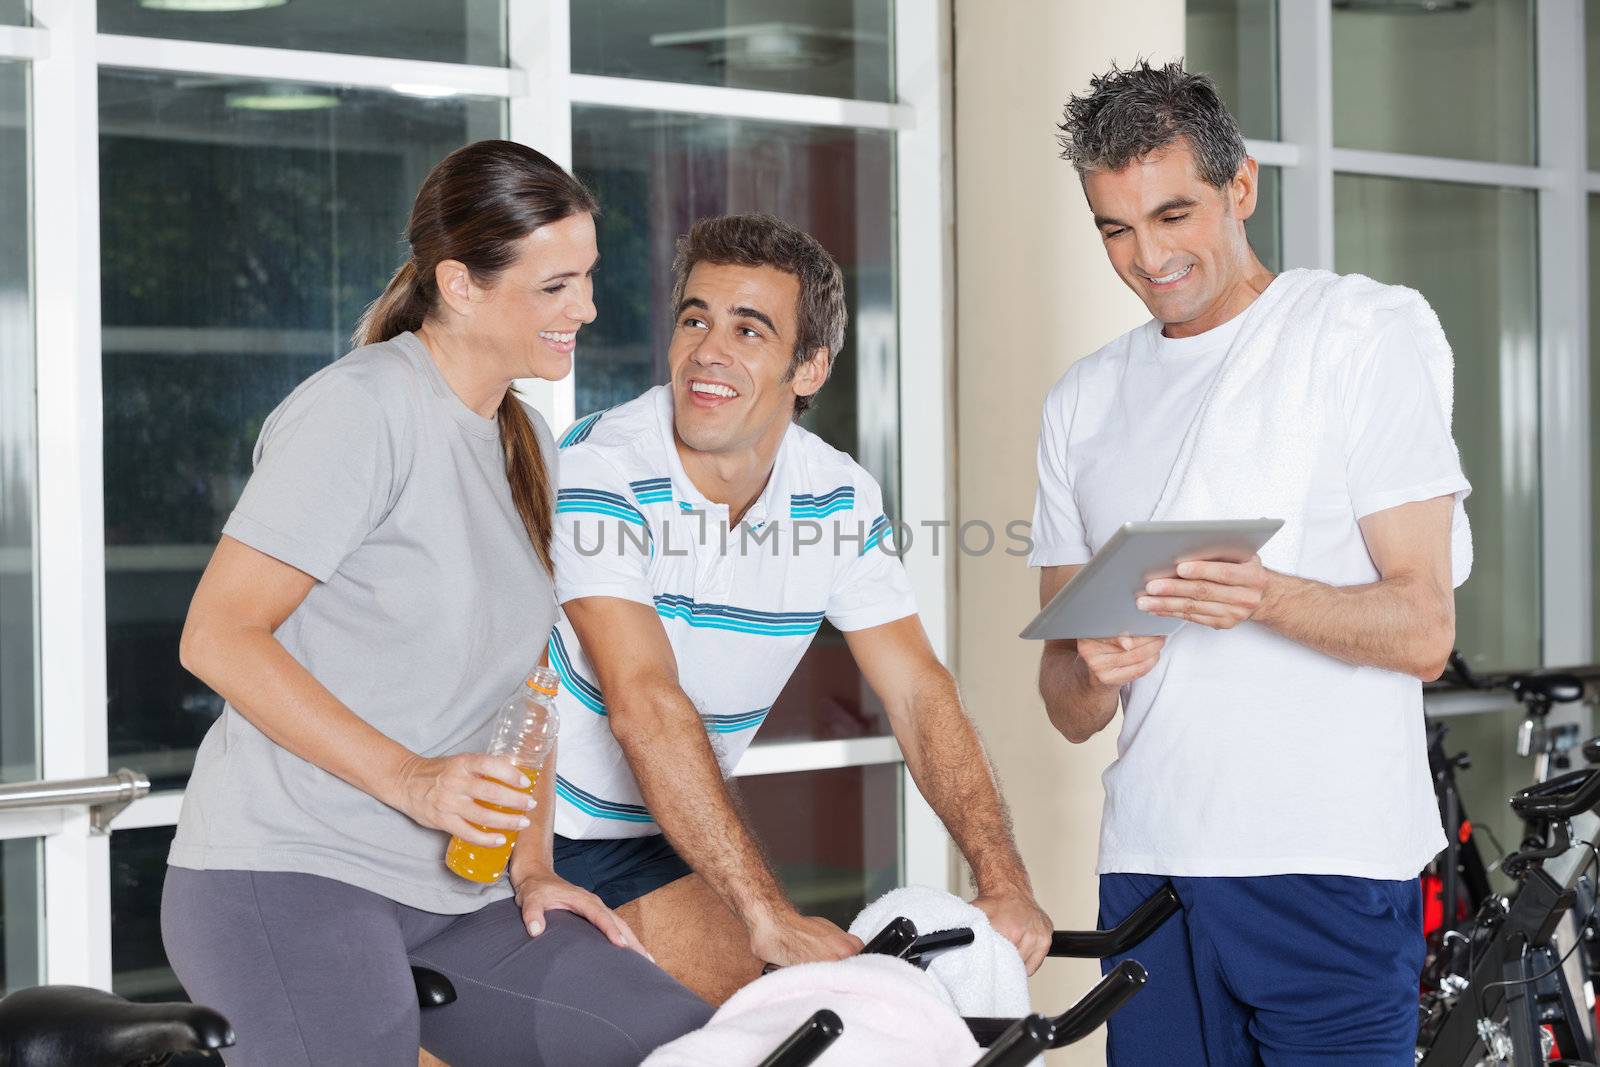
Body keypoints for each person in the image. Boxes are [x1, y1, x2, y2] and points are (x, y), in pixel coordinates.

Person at [162, 140, 712, 1067]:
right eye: (554, 287)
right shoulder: (362, 412)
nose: (583, 308)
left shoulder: (521, 436)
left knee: (674, 1044)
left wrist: (534, 865)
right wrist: (414, 780)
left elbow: (525, 688)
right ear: (458, 284)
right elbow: (219, 636)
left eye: (587, 278)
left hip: (459, 894)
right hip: (289, 872)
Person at [1034, 61, 1472, 1065]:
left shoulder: (1358, 334)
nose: (1147, 256)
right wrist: (1087, 661)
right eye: (1114, 228)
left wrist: (1267, 594)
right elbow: (1064, 703)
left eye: (1172, 214)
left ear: (1242, 186)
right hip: (1150, 872)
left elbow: (1423, 629)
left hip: (1326, 861)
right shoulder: (1082, 401)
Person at [539, 213, 1053, 1004]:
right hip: (520, 819)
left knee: (758, 1017)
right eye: (694, 319)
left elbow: (918, 692)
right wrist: (765, 909)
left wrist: (1003, 879)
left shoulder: (838, 496)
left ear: (808, 368)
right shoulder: (600, 468)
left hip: (650, 834)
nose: (708, 350)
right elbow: (642, 700)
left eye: (749, 330)